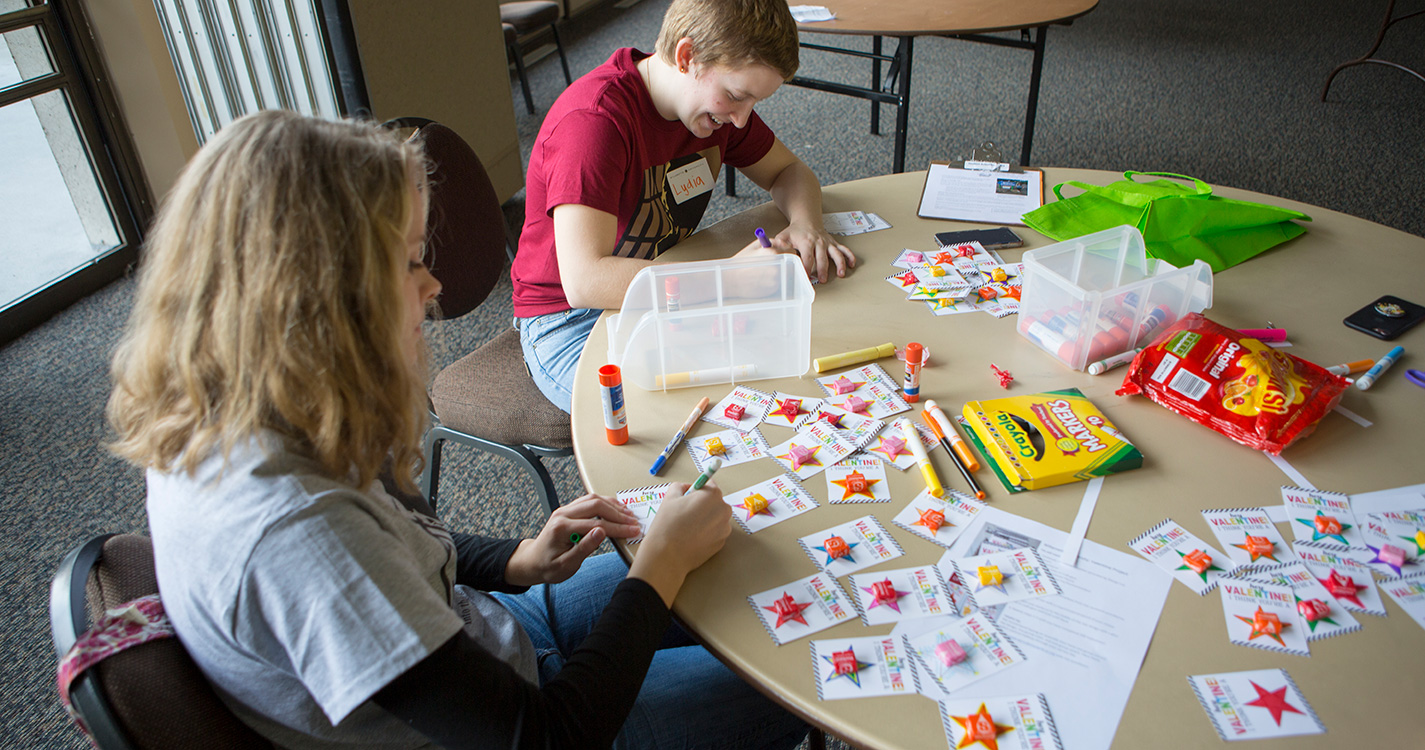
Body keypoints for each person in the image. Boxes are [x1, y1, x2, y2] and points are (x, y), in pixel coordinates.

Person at [106, 110, 808, 750]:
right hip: (531, 718)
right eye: (410, 261)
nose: (432, 284)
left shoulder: (235, 402)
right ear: (321, 297)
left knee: (747, 578)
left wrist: (513, 561)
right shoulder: (300, 535)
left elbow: (392, 551)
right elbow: (548, 736)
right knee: (796, 680)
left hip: (484, 640)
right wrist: (660, 565)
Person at [512, 0, 857, 412]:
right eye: (736, 96)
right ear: (687, 56)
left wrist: (805, 223)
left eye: (753, 104)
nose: (743, 120)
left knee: (762, 375)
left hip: (660, 290)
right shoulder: (595, 123)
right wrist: (724, 281)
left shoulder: (712, 111)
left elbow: (789, 171)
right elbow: (585, 280)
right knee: (680, 413)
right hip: (568, 321)